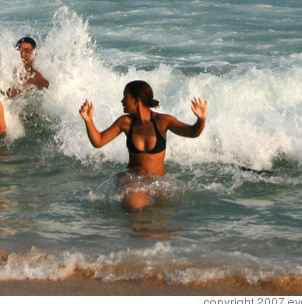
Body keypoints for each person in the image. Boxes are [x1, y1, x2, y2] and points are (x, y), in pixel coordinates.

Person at [79, 80, 207, 211]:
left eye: (125, 97)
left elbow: (192, 132)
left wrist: (201, 120)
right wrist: (89, 121)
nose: (122, 101)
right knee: (135, 207)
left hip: (158, 181)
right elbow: (99, 141)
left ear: (137, 100)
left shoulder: (163, 121)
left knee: (163, 216)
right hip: (133, 181)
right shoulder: (125, 122)